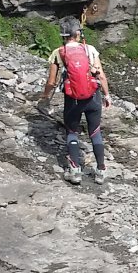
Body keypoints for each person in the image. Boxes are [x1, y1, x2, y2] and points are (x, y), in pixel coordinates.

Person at [39, 19, 109, 185]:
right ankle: (100, 171)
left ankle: (75, 171)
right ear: (77, 33)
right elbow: (101, 75)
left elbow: (51, 82)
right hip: (93, 97)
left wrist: (45, 98)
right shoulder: (89, 49)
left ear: (63, 35)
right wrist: (107, 95)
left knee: (72, 131)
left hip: (73, 100)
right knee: (95, 132)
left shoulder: (58, 52)